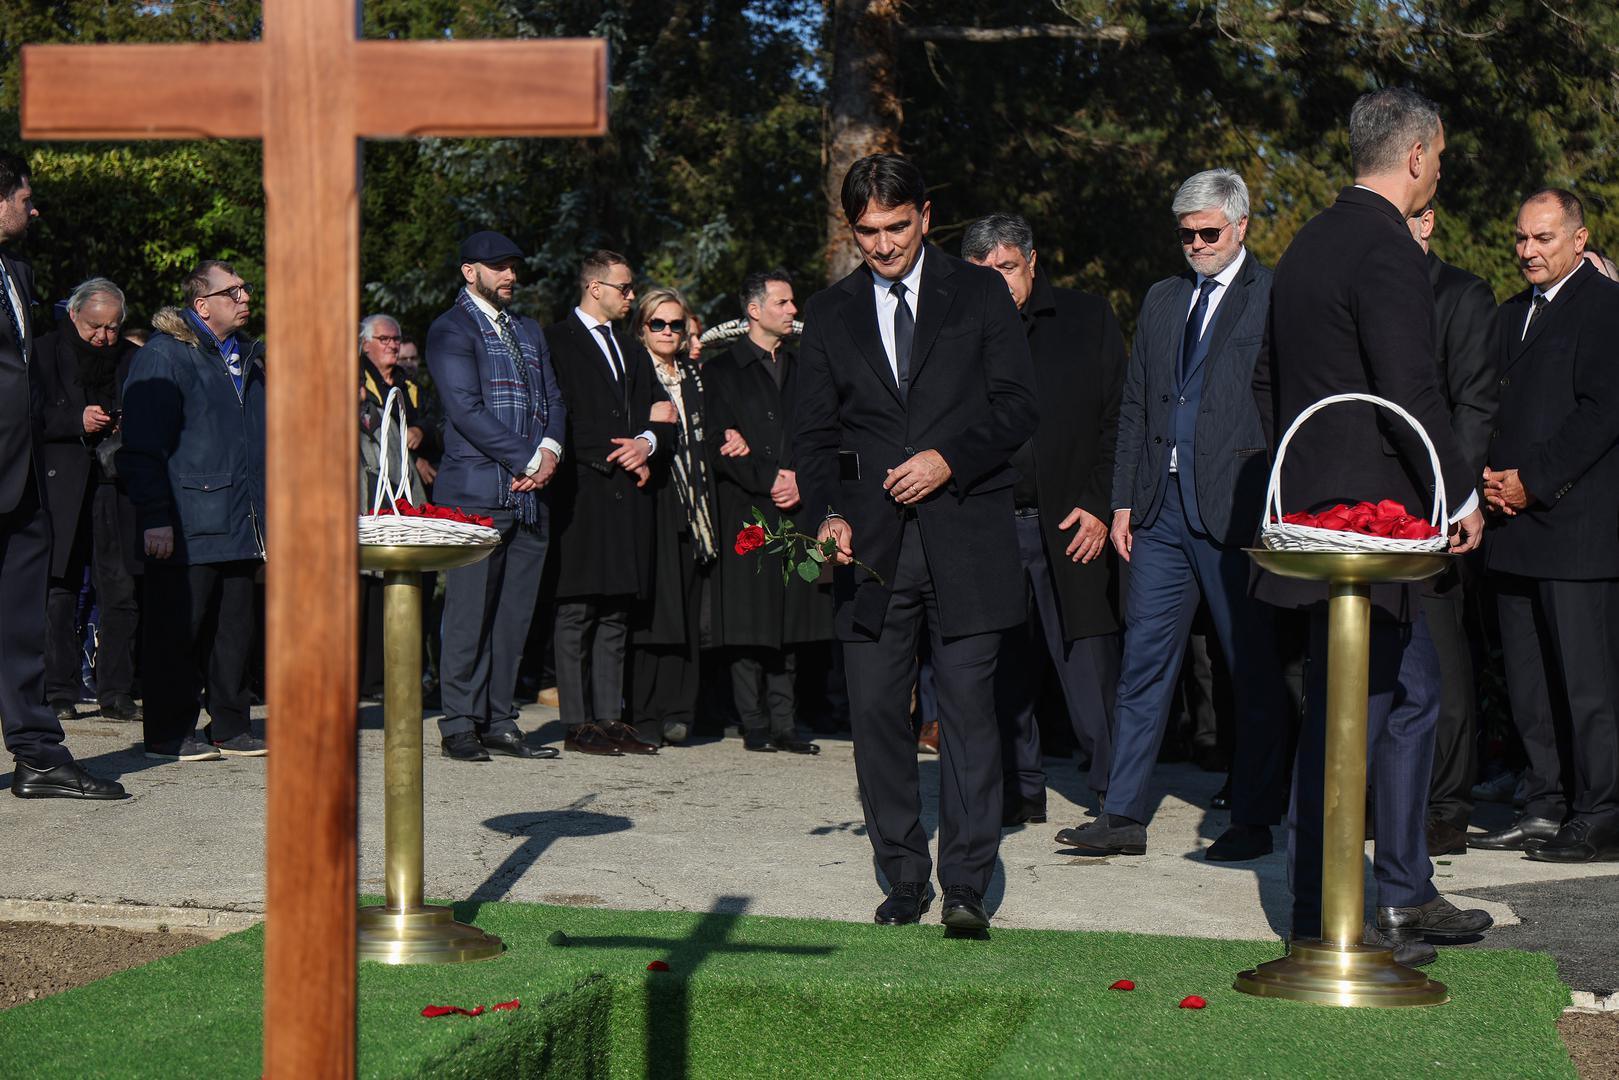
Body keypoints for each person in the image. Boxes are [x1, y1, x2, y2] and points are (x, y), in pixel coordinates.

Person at [1254, 88, 1492, 964]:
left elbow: (1271, 383)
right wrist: (1457, 495)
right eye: (1442, 155)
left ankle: (1397, 891)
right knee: (1364, 705)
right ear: (1420, 154)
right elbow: (1409, 388)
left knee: (1398, 698)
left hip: (1318, 509)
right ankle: (1331, 910)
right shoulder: (1386, 247)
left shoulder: (1309, 241)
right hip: (1372, 517)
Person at [793, 153, 1038, 931]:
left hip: (967, 535)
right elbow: (810, 434)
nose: (883, 244)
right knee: (875, 719)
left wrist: (948, 459)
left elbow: (1016, 407)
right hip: (868, 550)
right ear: (851, 229)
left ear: (926, 217)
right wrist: (825, 515)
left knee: (968, 719)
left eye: (896, 227)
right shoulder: (829, 313)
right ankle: (902, 877)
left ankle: (966, 885)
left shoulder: (978, 294)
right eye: (867, 231)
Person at [1056, 169, 1291, 863]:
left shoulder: (1272, 296)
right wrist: (1122, 500)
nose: (1195, 244)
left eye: (1208, 232)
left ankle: (1253, 816)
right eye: (1185, 233)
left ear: (1241, 226)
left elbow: (1286, 400)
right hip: (1158, 515)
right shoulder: (1161, 299)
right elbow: (1136, 403)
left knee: (1248, 668)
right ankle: (1122, 814)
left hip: (1235, 511)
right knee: (1141, 665)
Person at [962, 214, 1124, 826]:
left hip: (1073, 525)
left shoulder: (1088, 318)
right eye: (983, 274)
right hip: (990, 526)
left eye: (1006, 268)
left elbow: (1120, 420)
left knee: (1090, 671)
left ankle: (1115, 797)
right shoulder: (958, 335)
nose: (998, 283)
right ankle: (1016, 792)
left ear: (1031, 260)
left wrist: (1101, 504)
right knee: (1001, 672)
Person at [1472, 189, 1619, 863]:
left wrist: (1534, 481)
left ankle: (1599, 812)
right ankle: (1542, 804)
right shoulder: (1510, 316)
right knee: (1527, 684)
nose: (1528, 251)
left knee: (1584, 685)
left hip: (1574, 529)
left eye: (1543, 238)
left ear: (1579, 238)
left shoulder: (1603, 306)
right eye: (1520, 239)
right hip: (1511, 526)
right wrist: (1490, 479)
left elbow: (1600, 412)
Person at [0, 152, 126, 799]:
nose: (34, 206)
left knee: (22, 624)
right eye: (26, 195)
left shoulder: (17, 272)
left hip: (22, 483)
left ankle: (38, 755)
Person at [425, 231, 565, 763]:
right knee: (468, 612)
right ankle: (459, 722)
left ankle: (500, 720)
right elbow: (464, 409)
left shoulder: (528, 329)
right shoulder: (450, 329)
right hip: (477, 491)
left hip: (532, 495)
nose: (511, 275)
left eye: (514, 267)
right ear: (470, 272)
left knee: (513, 616)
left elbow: (553, 398)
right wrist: (529, 459)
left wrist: (549, 450)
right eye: (500, 267)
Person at [121, 260, 268, 762]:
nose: (246, 297)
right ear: (202, 304)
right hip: (186, 517)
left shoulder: (248, 357)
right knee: (177, 629)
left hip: (240, 515)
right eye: (234, 291)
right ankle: (168, 731)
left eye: (246, 289)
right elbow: (142, 446)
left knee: (235, 627)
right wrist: (155, 515)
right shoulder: (166, 356)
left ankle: (230, 724)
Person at [546, 250, 673, 756]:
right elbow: (560, 414)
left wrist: (647, 442)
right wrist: (618, 452)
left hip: (626, 499)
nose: (631, 297)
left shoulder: (631, 348)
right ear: (594, 287)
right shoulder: (555, 341)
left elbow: (662, 414)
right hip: (581, 491)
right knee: (577, 608)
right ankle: (577, 724)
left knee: (617, 609)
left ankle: (610, 717)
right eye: (623, 288)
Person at [1403, 206, 1500, 858]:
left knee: (1441, 661)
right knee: (1384, 663)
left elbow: (1473, 403)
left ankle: (1446, 808)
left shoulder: (1460, 294)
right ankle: (1390, 800)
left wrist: (1452, 497)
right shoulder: (1364, 292)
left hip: (1438, 508)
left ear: (1429, 220)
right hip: (1370, 509)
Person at [705, 270, 829, 755]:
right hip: (746, 509)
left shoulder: (805, 370)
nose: (792, 310)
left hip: (796, 507)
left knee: (792, 622)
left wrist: (798, 476)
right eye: (783, 302)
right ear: (754, 310)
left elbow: (822, 432)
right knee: (748, 620)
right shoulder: (720, 371)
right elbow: (718, 440)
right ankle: (752, 721)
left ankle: (785, 723)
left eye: (792, 301)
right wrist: (766, 477)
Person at [36, 278, 142, 724]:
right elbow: (28, 415)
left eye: (114, 328)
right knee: (58, 587)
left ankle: (115, 691)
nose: (104, 337)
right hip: (63, 481)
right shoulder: (42, 352)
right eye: (95, 327)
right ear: (73, 316)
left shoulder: (133, 359)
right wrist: (75, 419)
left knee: (120, 589)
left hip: (115, 484)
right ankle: (57, 688)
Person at [627, 287, 722, 746]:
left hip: (695, 505)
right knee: (654, 611)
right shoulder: (632, 370)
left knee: (686, 608)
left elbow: (715, 428)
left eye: (676, 324)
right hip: (653, 497)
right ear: (642, 326)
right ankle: (645, 713)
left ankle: (680, 711)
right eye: (657, 324)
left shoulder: (694, 375)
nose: (668, 332)